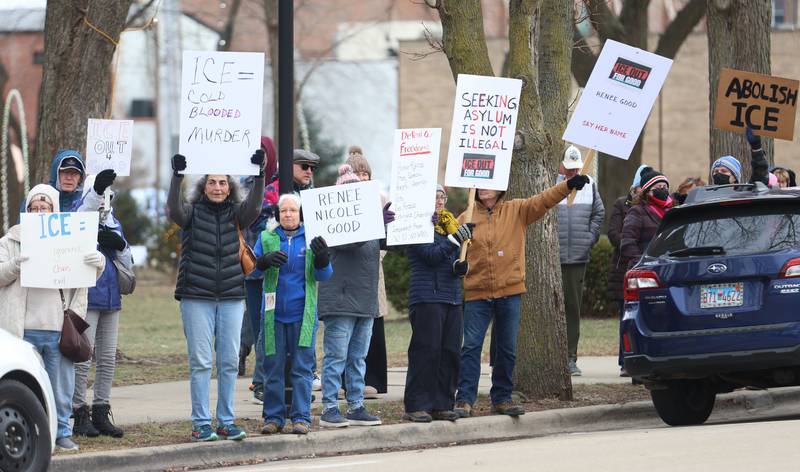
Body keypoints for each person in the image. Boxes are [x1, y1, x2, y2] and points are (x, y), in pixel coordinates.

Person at [453, 172, 590, 418]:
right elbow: (450, 251)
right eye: (480, 185)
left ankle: (502, 398)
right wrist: (457, 264)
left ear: (500, 188)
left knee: (507, 348)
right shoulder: (466, 217)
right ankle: (464, 399)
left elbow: (543, 200)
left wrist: (568, 185)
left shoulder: (517, 210)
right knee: (471, 348)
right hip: (477, 294)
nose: (484, 189)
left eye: (490, 184)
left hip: (510, 292)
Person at [167, 150, 265, 442]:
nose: (218, 187)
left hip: (232, 297)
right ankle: (200, 423)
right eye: (212, 182)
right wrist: (176, 177)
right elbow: (174, 209)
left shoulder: (238, 213)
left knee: (229, 362)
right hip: (197, 296)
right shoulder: (191, 212)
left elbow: (255, 207)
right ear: (204, 186)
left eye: (223, 183)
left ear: (230, 187)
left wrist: (259, 175)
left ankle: (225, 420)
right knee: (200, 361)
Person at [0, 184, 105, 451]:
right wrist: (15, 265)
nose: (39, 212)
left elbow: (85, 280)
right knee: (27, 386)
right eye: (34, 208)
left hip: (58, 327)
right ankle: (34, 433)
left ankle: (61, 432)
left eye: (44, 208)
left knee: (61, 386)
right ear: (27, 210)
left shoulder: (70, 239)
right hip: (21, 330)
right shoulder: (10, 241)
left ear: (53, 210)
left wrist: (98, 262)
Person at [318, 164, 395, 428]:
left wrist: (390, 228)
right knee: (336, 356)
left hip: (366, 300)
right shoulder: (335, 224)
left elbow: (382, 248)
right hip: (340, 300)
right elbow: (350, 242)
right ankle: (329, 407)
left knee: (357, 358)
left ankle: (355, 405)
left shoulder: (371, 222)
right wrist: (374, 223)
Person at [253, 194, 332, 435]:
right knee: (272, 367)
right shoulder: (266, 237)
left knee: (302, 369)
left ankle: (301, 418)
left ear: (300, 214)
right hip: (272, 315)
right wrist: (263, 261)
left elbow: (324, 276)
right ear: (277, 214)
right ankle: (273, 417)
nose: (288, 214)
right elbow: (253, 267)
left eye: (293, 210)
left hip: (302, 315)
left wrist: (322, 259)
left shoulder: (311, 238)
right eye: (283, 210)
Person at [72, 171, 132, 438]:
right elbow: (80, 216)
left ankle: (100, 409)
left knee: (107, 359)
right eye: (100, 194)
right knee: (83, 357)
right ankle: (78, 411)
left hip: (111, 298)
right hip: (88, 297)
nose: (104, 200)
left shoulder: (113, 222)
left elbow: (127, 261)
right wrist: (94, 192)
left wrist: (120, 244)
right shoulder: (81, 214)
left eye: (108, 195)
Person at [403, 185, 467, 423]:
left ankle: (442, 403)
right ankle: (417, 404)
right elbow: (430, 256)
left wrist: (459, 267)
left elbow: (448, 259)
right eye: (434, 197)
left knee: (450, 352)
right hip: (427, 296)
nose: (439, 201)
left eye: (442, 197)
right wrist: (453, 241)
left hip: (451, 296)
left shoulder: (449, 225)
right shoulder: (416, 226)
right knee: (426, 351)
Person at [556, 146, 604, 376]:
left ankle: (570, 358)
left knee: (573, 309)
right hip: (552, 259)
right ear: (561, 166)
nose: (573, 172)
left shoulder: (590, 184)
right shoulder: (550, 183)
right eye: (569, 168)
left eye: (576, 168)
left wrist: (588, 238)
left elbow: (599, 213)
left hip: (576, 257)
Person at [346, 146, 388, 398]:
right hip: (347, 274)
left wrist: (375, 255)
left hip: (372, 269)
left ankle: (373, 379)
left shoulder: (381, 199)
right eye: (357, 174)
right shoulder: (340, 201)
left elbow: (388, 239)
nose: (362, 178)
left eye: (365, 174)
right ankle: (346, 381)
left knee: (372, 325)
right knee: (346, 328)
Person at [240, 137, 279, 403]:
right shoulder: (242, 187)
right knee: (259, 326)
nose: (260, 158)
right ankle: (260, 380)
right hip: (252, 268)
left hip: (277, 268)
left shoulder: (279, 186)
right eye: (256, 154)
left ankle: (264, 379)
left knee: (273, 327)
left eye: (264, 153)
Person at [607, 165, 650, 376]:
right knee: (626, 314)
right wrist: (628, 243)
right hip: (623, 268)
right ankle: (624, 360)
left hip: (645, 269)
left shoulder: (652, 208)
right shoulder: (620, 204)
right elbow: (613, 232)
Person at [620, 169, 672, 271]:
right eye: (658, 187)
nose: (662, 189)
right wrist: (642, 264)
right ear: (648, 191)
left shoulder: (672, 212)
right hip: (646, 270)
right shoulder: (637, 212)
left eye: (665, 187)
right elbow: (627, 243)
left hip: (669, 269)